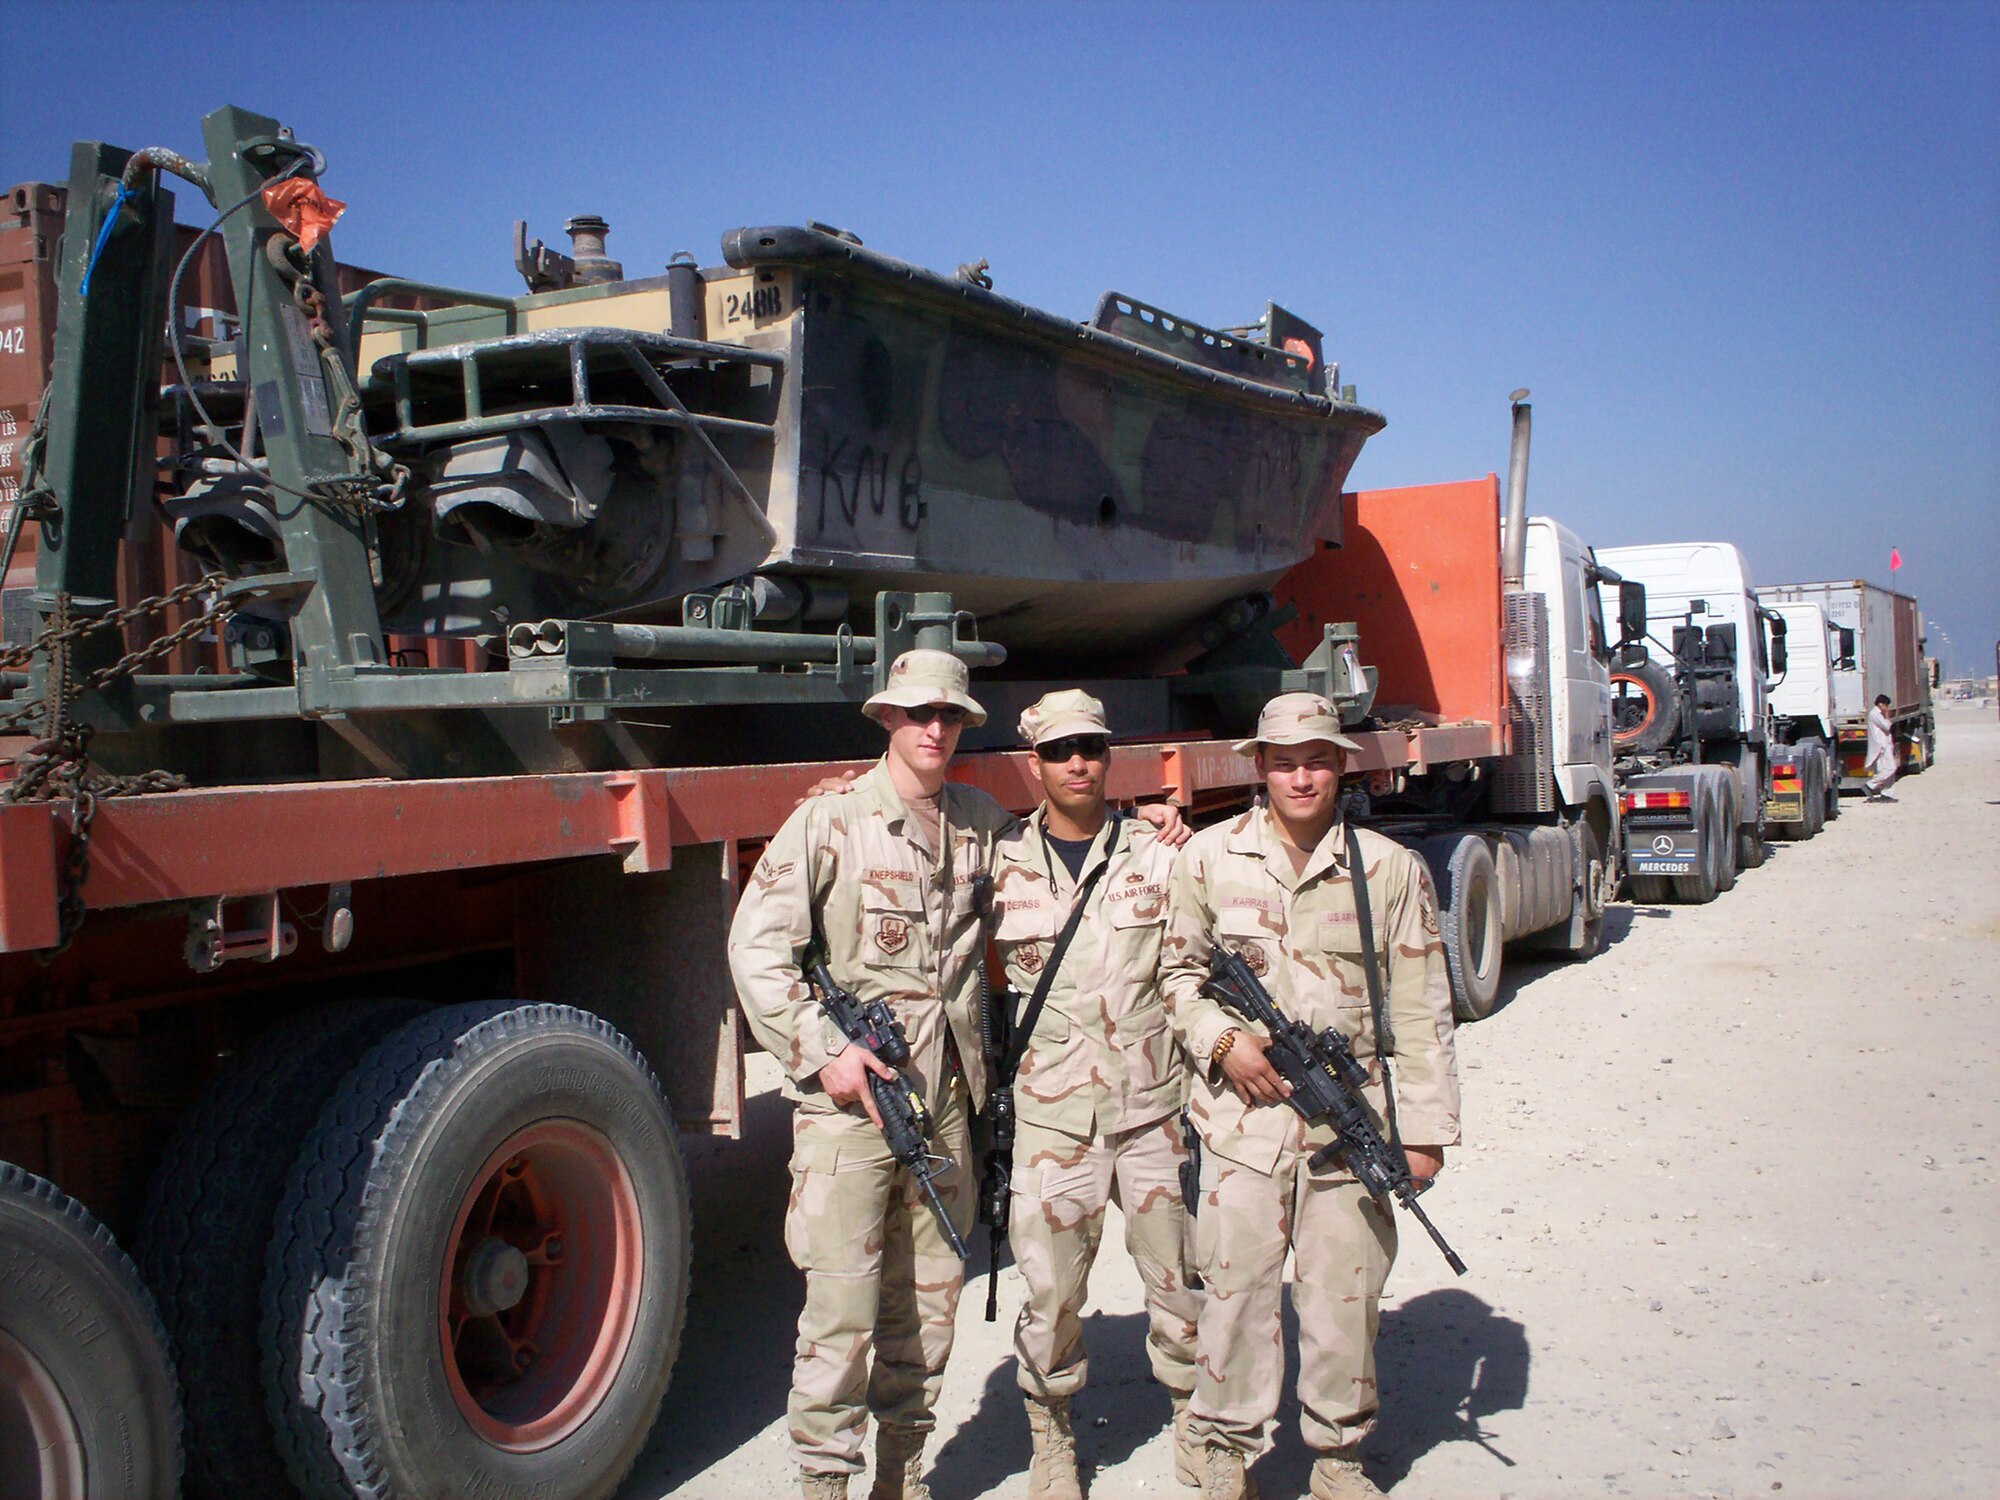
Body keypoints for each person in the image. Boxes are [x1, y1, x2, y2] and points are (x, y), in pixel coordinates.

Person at [729, 647, 1016, 1500]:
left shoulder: (979, 822)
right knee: (841, 1320)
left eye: (951, 715)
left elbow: (1066, 874)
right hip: (852, 1114)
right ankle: (826, 1485)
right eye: (919, 712)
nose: (936, 728)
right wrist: (823, 1048)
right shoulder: (831, 823)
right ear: (888, 718)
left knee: (928, 1312)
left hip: (947, 1111)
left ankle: (903, 1476)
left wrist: (1154, 833)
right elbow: (756, 948)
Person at [1159, 693, 1460, 1500]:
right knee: (1234, 1296)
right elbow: (1176, 976)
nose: (1301, 776)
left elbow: (1422, 1010)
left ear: (1339, 766)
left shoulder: (1387, 869)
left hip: (1346, 1126)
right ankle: (1223, 1450)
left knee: (1344, 1300)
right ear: (1258, 767)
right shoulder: (1209, 858)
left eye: (1317, 760)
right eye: (1284, 761)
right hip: (1238, 1128)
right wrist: (1224, 1042)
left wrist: (1424, 1133)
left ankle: (1338, 1457)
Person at [989, 690, 1203, 1500]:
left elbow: (1205, 963)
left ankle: (1195, 1419)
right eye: (1058, 751)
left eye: (1092, 747)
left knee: (1181, 1280)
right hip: (1053, 1121)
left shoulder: (1163, 854)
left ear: (1110, 756)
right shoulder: (997, 863)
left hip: (1152, 1113)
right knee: (1050, 1295)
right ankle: (1051, 1437)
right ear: (1034, 763)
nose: (1077, 763)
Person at [1865, 693, 1898, 801]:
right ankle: (1870, 785)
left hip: (1886, 744)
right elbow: (1887, 726)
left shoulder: (1878, 714)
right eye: (1885, 705)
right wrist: (1887, 714)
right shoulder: (1875, 714)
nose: (1886, 708)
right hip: (1881, 746)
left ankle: (1887, 794)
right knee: (1891, 768)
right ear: (1880, 704)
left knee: (1886, 769)